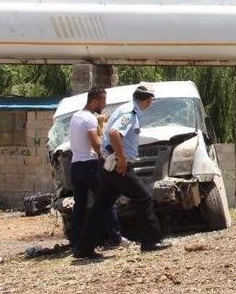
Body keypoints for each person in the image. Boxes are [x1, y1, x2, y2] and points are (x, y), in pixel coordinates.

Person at [73, 85, 171, 258]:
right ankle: (151, 241)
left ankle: (83, 248)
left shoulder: (124, 108)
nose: (151, 103)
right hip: (118, 165)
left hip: (107, 164)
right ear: (147, 100)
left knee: (101, 207)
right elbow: (114, 133)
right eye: (151, 100)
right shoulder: (131, 113)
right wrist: (122, 158)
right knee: (143, 197)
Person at [68, 87, 126, 247]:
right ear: (94, 101)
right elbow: (95, 142)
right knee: (106, 200)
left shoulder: (75, 117)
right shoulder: (90, 119)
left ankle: (76, 241)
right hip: (90, 165)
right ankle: (116, 239)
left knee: (79, 205)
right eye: (103, 101)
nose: (104, 105)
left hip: (76, 166)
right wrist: (107, 157)